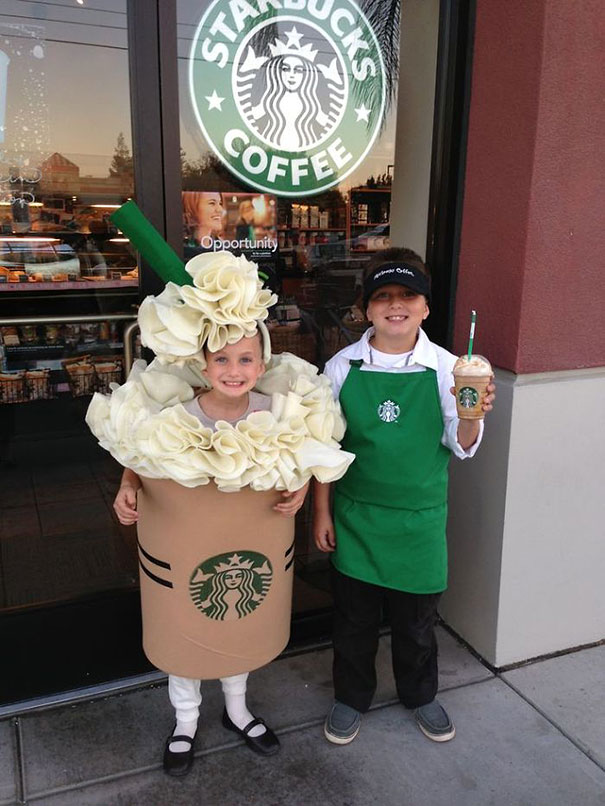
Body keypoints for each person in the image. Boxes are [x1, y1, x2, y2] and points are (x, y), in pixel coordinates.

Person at [313, 247, 496, 746]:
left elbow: (462, 447)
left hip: (418, 522)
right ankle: (351, 697)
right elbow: (324, 446)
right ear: (366, 308)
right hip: (355, 518)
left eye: (408, 295)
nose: (396, 305)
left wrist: (475, 412)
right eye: (383, 296)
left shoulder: (449, 368)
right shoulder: (341, 366)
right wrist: (322, 512)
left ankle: (421, 695)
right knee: (353, 622)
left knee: (417, 625)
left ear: (426, 307)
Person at [114, 330, 308, 776]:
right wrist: (128, 485)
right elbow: (139, 456)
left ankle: (237, 711)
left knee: (236, 627)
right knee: (188, 628)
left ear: (262, 367)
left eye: (245, 360)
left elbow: (301, 459)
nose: (233, 371)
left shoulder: (275, 414)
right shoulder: (176, 417)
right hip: (189, 547)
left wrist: (300, 486)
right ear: (203, 367)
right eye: (221, 360)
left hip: (245, 541)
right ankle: (186, 722)